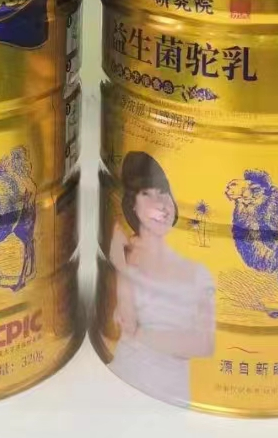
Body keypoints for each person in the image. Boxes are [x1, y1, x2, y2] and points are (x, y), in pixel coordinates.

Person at [108, 151, 216, 406]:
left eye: (163, 193)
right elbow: (127, 322)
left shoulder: (197, 272)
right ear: (132, 205)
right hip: (125, 383)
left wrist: (142, 335)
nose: (160, 204)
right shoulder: (126, 261)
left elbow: (203, 345)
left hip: (173, 393)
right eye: (147, 194)